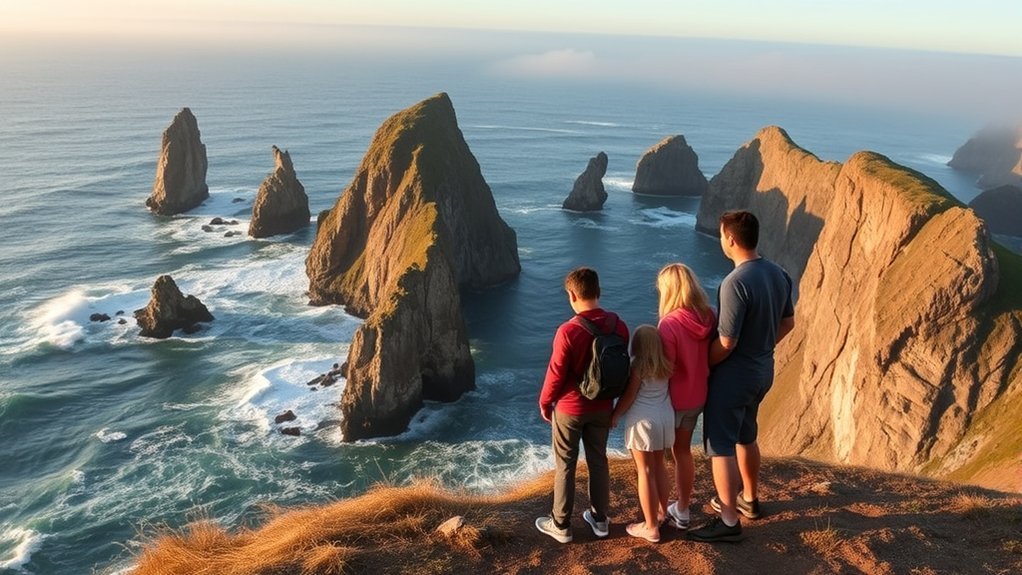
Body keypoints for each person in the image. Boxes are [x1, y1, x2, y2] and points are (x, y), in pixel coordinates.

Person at [688, 210, 795, 543]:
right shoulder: (778, 273)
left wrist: (703, 362)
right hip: (763, 370)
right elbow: (788, 323)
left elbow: (727, 341)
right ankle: (749, 499)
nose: (721, 240)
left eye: (722, 235)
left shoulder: (735, 282)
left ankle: (728, 519)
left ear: (730, 239)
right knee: (746, 435)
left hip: (735, 376)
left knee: (720, 445)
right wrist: (761, 347)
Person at [536, 267, 630, 544]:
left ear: (572, 295)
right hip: (603, 406)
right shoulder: (619, 326)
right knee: (598, 461)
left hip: (570, 408)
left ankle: (561, 524)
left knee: (566, 463)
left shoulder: (568, 331)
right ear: (598, 292)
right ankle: (600, 520)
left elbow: (556, 373)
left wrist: (545, 402)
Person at [656, 263, 716, 531]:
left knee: (664, 454)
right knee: (683, 452)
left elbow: (665, 367)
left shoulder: (668, 324)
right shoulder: (709, 316)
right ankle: (682, 507)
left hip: (674, 399)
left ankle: (664, 512)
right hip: (700, 394)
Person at [611, 325, 675, 543]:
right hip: (665, 418)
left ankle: (650, 527)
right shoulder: (665, 364)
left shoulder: (638, 366)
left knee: (645, 471)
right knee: (659, 467)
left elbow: (629, 397)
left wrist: (615, 415)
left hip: (644, 422)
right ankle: (661, 513)